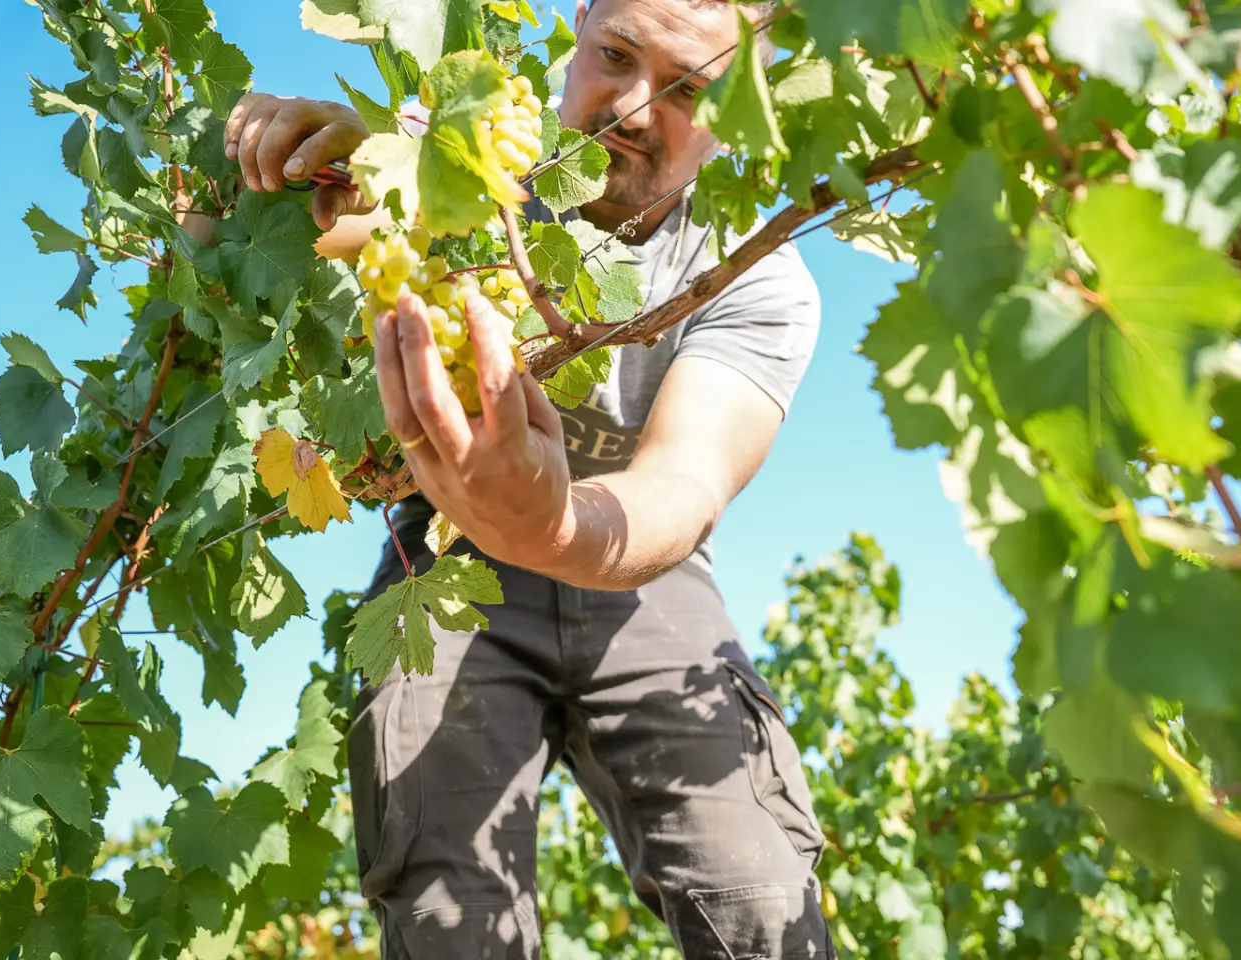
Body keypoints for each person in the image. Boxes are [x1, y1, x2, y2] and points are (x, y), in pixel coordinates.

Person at [219, 0, 835, 956]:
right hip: (447, 557)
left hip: (648, 580)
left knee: (761, 902)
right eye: (617, 54)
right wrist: (298, 169)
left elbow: (680, 488)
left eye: (690, 89)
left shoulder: (759, 275)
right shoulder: (463, 151)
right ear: (581, 21)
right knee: (444, 918)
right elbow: (325, 220)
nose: (633, 107)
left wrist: (546, 523)